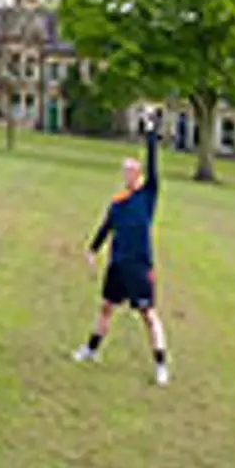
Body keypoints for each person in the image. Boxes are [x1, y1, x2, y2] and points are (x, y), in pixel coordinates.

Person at [72, 109, 170, 385]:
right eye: (124, 171)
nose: (126, 175)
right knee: (105, 307)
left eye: (130, 171)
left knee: (149, 316)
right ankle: (91, 350)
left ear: (138, 174)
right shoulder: (118, 201)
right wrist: (93, 249)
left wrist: (150, 133)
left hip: (139, 265)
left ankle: (161, 365)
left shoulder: (147, 195)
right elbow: (107, 226)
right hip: (118, 264)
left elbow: (154, 165)